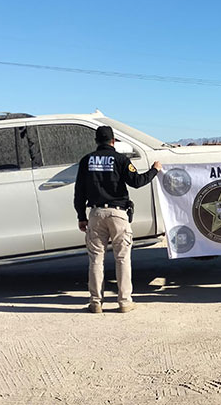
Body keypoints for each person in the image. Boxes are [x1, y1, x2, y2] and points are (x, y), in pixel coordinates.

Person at [74, 126, 161, 313]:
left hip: (96, 214)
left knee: (96, 259)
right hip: (118, 214)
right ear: (113, 141)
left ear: (96, 141)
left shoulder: (86, 161)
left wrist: (81, 216)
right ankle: (124, 301)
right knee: (122, 258)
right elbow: (137, 182)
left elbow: (79, 192)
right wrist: (154, 170)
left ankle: (95, 302)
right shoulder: (121, 160)